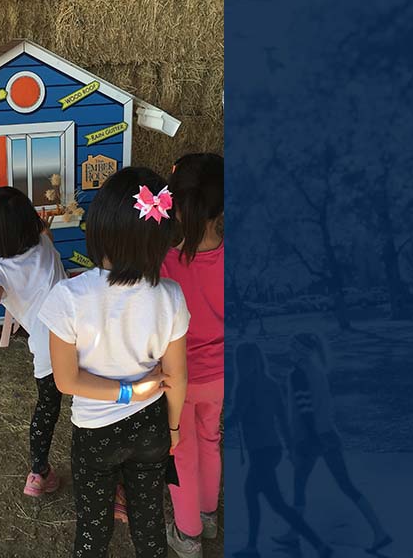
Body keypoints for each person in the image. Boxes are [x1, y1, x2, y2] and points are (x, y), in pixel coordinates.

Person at [0, 185, 166, 497]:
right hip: (86, 337)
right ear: (30, 221)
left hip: (50, 350)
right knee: (100, 408)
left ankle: (38, 474)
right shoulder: (43, 242)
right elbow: (42, 229)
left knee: (47, 409)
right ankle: (116, 482)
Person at [38, 167, 189, 558]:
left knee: (93, 526)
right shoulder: (170, 295)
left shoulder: (68, 297)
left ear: (100, 227)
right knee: (149, 521)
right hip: (152, 426)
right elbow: (176, 376)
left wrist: (126, 392)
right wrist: (172, 429)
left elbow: (66, 381)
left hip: (95, 431)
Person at [160, 153, 225, 557]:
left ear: (176, 208)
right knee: (210, 440)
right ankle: (208, 516)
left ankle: (187, 537)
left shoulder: (164, 265)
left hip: (178, 380)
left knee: (181, 454)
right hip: (221, 377)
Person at [274, 333, 392, 552]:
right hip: (328, 435)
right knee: (346, 484)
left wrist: (300, 444)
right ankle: (379, 531)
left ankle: (293, 533)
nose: (289, 351)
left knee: (299, 485)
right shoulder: (318, 371)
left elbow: (305, 409)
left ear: (300, 351)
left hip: (309, 439)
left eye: (292, 347)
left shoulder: (298, 375)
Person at [233, 342, 333, 558]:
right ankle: (251, 547)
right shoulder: (271, 383)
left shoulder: (246, 386)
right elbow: (283, 421)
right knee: (251, 493)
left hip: (260, 453)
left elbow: (235, 416)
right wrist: (289, 449)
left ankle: (320, 546)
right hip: (273, 450)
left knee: (277, 504)